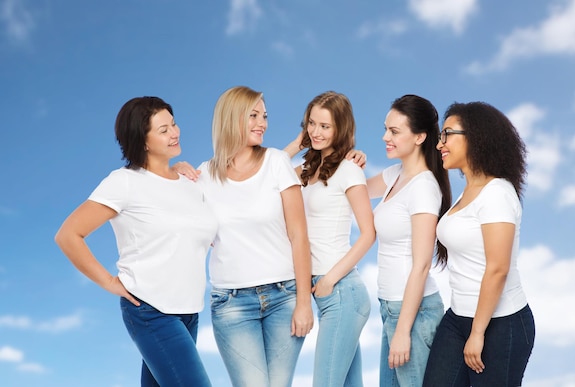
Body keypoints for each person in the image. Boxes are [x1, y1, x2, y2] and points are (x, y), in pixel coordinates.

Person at [54, 96, 217, 387]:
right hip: (151, 310)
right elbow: (68, 235)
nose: (175, 132)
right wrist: (110, 282)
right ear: (142, 140)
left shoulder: (189, 183)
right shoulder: (124, 182)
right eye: (163, 130)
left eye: (174, 124)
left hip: (189, 311)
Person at [177, 86, 314, 387]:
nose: (262, 123)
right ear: (231, 118)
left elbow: (299, 235)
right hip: (231, 303)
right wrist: (173, 171)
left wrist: (304, 302)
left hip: (284, 297)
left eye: (264, 116)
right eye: (253, 115)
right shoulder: (203, 175)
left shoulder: (277, 162)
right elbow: (184, 225)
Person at [423, 101, 535, 386]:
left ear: (475, 137)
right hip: (458, 316)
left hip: (500, 323)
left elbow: (498, 268)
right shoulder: (467, 192)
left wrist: (478, 332)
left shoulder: (497, 193)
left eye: (447, 134)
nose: (440, 144)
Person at [285, 91, 375, 386]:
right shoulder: (305, 171)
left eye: (325, 126)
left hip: (340, 291)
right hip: (326, 293)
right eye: (311, 123)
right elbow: (267, 176)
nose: (316, 132)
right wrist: (299, 143)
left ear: (341, 129)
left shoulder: (349, 170)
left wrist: (328, 280)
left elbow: (368, 233)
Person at [365, 94, 451, 386]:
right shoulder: (395, 174)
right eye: (386, 129)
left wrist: (403, 331)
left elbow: (422, 265)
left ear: (419, 137)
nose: (385, 136)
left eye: (394, 131)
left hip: (413, 315)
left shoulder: (424, 188)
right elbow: (353, 191)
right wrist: (352, 164)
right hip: (391, 309)